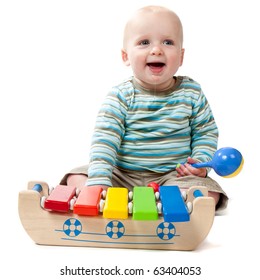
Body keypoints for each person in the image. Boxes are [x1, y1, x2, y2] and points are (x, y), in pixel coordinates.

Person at [60, 5, 228, 210]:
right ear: (125, 56)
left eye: (168, 42)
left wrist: (200, 164)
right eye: (144, 42)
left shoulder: (191, 92)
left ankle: (169, 200)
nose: (156, 49)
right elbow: (105, 141)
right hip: (123, 176)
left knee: (209, 192)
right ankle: (109, 197)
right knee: (77, 176)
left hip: (173, 176)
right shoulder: (120, 96)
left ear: (181, 56)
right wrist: (100, 179)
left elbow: (205, 132)